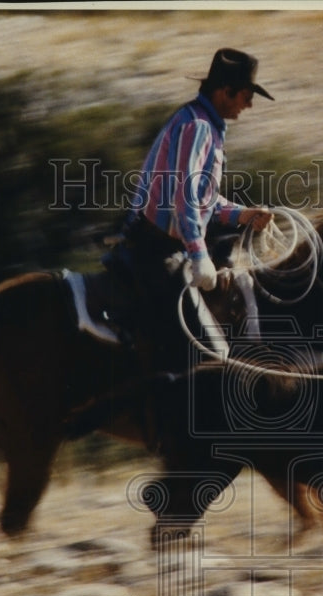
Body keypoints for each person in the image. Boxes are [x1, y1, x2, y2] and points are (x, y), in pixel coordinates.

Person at [116, 48, 274, 448]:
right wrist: (199, 255)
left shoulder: (202, 122)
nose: (250, 103)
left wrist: (241, 215)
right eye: (246, 94)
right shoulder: (199, 128)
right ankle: (173, 436)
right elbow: (184, 201)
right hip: (159, 248)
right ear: (225, 91)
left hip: (169, 241)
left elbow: (204, 202)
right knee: (211, 352)